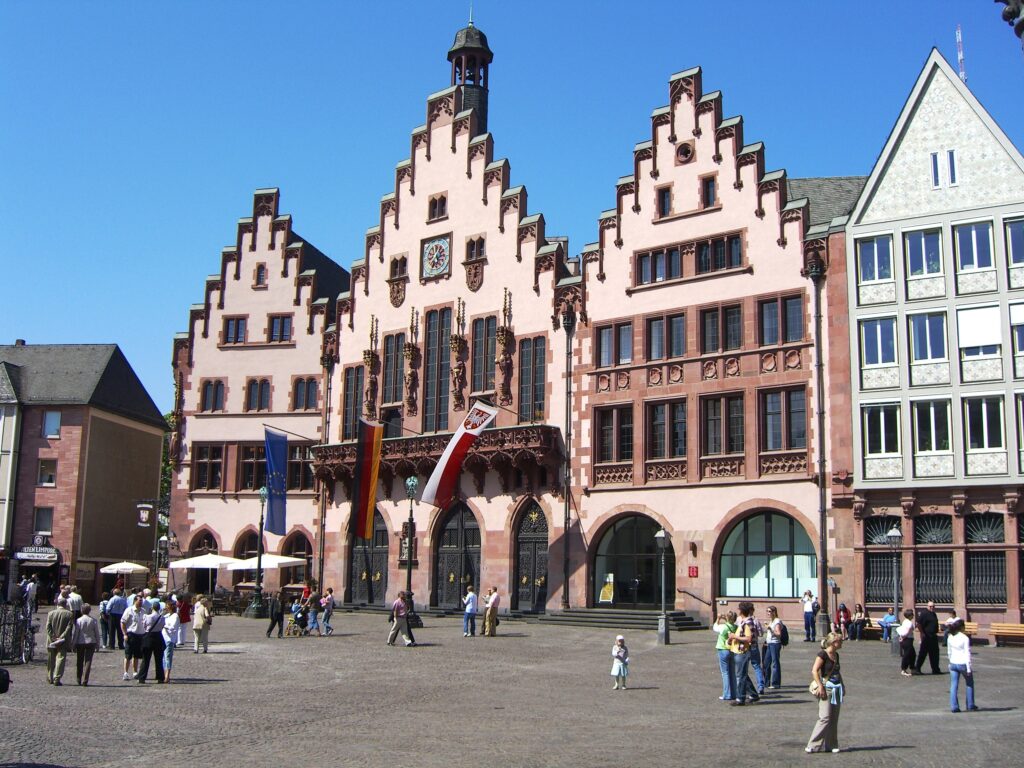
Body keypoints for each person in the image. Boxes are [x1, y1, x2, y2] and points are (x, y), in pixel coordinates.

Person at [805, 632, 845, 754]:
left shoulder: (836, 655)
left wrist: (842, 685)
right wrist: (820, 686)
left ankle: (831, 744)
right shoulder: (823, 654)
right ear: (834, 643)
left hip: (836, 689)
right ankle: (813, 745)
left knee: (834, 718)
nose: (842, 642)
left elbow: (837, 672)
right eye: (840, 641)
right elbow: (814, 671)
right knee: (825, 717)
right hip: (826, 689)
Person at [727, 601, 760, 706]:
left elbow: (748, 638)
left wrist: (734, 637)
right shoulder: (743, 621)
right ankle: (753, 694)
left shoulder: (747, 622)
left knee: (741, 676)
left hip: (743, 651)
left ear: (741, 610)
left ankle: (740, 698)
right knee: (742, 674)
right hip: (739, 650)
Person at [946, 619, 978, 713]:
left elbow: (949, 652)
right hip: (962, 663)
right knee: (969, 683)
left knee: (953, 685)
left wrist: (950, 662)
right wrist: (968, 668)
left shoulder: (950, 637)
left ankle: (954, 706)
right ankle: (970, 704)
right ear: (962, 627)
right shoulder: (964, 638)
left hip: (953, 663)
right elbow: (967, 654)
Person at [44, 597, 75, 686]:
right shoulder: (69, 614)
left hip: (51, 640)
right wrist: (61, 637)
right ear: (65, 605)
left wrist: (53, 637)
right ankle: (57, 678)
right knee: (60, 659)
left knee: (51, 659)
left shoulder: (51, 613)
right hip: (63, 641)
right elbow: (69, 628)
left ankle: (50, 677)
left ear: (57, 604)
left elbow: (48, 626)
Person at [71, 603, 101, 686]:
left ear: (81, 610)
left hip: (80, 642)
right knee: (88, 661)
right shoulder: (93, 620)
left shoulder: (78, 620)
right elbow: (97, 633)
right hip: (91, 642)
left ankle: (78, 678)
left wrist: (73, 644)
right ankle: (85, 680)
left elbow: (76, 633)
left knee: (79, 661)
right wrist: (98, 644)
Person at [136, 601, 166, 683]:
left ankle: (142, 677)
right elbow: (162, 626)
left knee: (146, 659)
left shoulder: (148, 617)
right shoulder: (162, 618)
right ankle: (160, 677)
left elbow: (145, 626)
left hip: (149, 637)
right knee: (159, 659)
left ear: (152, 607)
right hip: (158, 637)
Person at [712, 611, 737, 701]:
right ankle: (734, 693)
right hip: (732, 650)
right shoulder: (735, 627)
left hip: (723, 649)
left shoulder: (723, 627)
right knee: (732, 672)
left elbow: (715, 627)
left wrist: (718, 618)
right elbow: (730, 623)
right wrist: (726, 619)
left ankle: (727, 694)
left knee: (725, 673)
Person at [121, 594, 147, 681]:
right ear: (135, 601)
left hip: (140, 635)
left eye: (142, 601)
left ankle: (135, 672)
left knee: (137, 655)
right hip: (131, 634)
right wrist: (125, 634)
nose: (141, 602)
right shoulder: (129, 610)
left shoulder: (143, 611)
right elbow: (123, 623)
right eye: (140, 601)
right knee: (128, 654)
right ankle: (125, 673)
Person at [915, 601, 941, 675]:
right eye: (930, 606)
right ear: (927, 606)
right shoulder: (924, 613)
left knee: (935, 653)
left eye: (933, 606)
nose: (932, 608)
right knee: (923, 653)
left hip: (933, 636)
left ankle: (935, 669)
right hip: (927, 637)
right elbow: (918, 624)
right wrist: (922, 633)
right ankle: (917, 668)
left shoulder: (933, 614)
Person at [763, 605, 783, 689]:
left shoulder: (777, 621)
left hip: (775, 644)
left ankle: (776, 683)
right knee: (766, 663)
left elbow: (778, 634)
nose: (768, 613)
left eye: (770, 611)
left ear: (774, 612)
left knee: (775, 663)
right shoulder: (771, 621)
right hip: (770, 644)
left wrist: (770, 628)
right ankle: (766, 682)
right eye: (767, 611)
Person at [161, 601, 180, 683]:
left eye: (167, 606)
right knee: (163, 658)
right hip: (163, 638)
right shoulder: (167, 615)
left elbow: (172, 627)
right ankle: (164, 674)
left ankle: (167, 675)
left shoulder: (175, 616)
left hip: (170, 639)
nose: (166, 607)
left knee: (168, 657)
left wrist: (164, 626)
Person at [897, 609, 916, 677]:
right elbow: (906, 632)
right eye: (912, 614)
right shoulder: (909, 623)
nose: (913, 615)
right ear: (910, 615)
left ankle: (912, 668)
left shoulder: (905, 621)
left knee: (912, 654)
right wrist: (903, 638)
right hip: (907, 640)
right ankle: (903, 669)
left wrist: (901, 637)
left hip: (907, 640)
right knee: (907, 655)